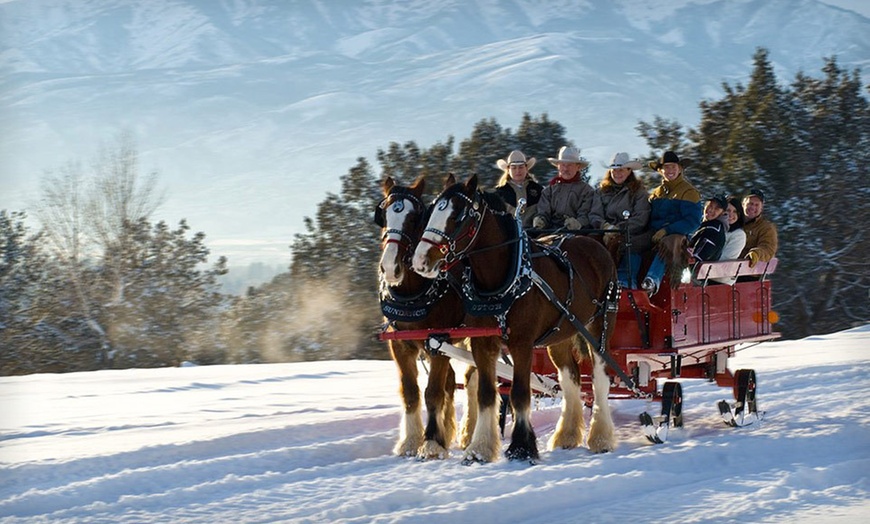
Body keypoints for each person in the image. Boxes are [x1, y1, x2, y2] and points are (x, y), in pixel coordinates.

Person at [641, 151, 703, 295]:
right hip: (654, 233)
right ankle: (626, 280)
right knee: (631, 243)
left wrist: (667, 230)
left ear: (680, 169)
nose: (670, 171)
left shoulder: (689, 192)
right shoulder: (656, 193)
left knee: (670, 241)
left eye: (673, 167)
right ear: (660, 171)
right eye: (666, 167)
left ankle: (652, 280)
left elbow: (693, 221)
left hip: (678, 238)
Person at [591, 152, 650, 288]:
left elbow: (641, 218)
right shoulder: (601, 192)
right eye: (614, 170)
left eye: (621, 170)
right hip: (604, 232)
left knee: (629, 246)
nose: (617, 173)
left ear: (629, 171)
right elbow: (594, 214)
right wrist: (605, 227)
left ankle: (626, 281)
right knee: (588, 243)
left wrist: (618, 229)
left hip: (631, 233)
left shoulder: (639, 192)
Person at [532, 146, 602, 232]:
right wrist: (540, 220)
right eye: (563, 165)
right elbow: (543, 212)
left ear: (578, 167)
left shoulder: (587, 191)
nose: (565, 169)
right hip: (549, 233)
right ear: (558, 166)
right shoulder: (549, 190)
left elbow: (586, 215)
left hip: (576, 234)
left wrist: (578, 223)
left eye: (570, 165)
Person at [492, 150, 543, 228]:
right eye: (514, 168)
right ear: (508, 170)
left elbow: (544, 211)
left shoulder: (538, 189)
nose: (518, 171)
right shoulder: (500, 192)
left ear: (526, 168)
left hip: (535, 234)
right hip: (509, 235)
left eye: (521, 167)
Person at [711, 195, 747, 285]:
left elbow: (727, 258)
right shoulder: (715, 228)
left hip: (720, 279)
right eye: (728, 210)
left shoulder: (738, 235)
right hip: (702, 275)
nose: (731, 215)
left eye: (735, 211)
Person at [740, 189, 778, 267]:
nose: (753, 207)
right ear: (743, 204)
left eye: (757, 205)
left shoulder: (766, 228)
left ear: (761, 208)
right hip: (725, 267)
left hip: (749, 271)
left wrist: (756, 254)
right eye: (750, 203)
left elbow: (768, 249)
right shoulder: (733, 221)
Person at [687, 195, 729, 263]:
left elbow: (696, 258)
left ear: (722, 213)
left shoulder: (713, 230)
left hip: (694, 270)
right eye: (710, 205)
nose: (711, 210)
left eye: (716, 209)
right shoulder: (704, 224)